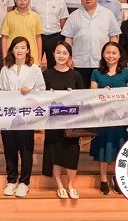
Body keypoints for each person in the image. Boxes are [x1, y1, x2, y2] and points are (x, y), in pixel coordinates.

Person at [0, 37, 46, 198]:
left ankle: (24, 182)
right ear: (12, 49)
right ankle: (11, 180)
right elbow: (0, 91)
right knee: (9, 149)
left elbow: (42, 90)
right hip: (9, 115)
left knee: (26, 150)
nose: (19, 50)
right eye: (16, 47)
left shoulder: (34, 69)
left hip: (27, 115)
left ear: (28, 50)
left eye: (23, 47)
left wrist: (30, 91)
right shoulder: (5, 69)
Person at [89, 42, 128, 195]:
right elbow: (92, 95)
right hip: (103, 118)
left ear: (120, 55)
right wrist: (103, 93)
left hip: (122, 119)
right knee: (103, 148)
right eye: (108, 52)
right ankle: (103, 179)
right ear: (103, 54)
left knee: (120, 148)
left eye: (114, 53)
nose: (111, 56)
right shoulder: (96, 73)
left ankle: (118, 177)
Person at [41, 41, 85, 200]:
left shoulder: (76, 75)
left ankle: (70, 185)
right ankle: (59, 185)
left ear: (69, 56)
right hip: (53, 122)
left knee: (72, 153)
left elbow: (83, 99)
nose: (61, 56)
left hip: (71, 123)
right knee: (55, 153)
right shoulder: (46, 74)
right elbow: (40, 99)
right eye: (58, 52)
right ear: (53, 54)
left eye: (65, 53)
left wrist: (73, 96)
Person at [61, 0, 121, 89]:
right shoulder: (74, 16)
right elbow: (68, 39)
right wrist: (69, 58)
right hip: (79, 62)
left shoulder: (107, 14)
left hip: (102, 62)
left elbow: (114, 36)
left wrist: (113, 56)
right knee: (81, 92)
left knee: (102, 92)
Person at [30, 0, 69, 68]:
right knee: (34, 63)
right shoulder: (32, 0)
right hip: (37, 36)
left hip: (54, 37)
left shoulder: (60, 1)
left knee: (54, 64)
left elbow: (63, 19)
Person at [0, 0, 43, 65]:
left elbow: (38, 38)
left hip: (31, 57)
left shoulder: (35, 16)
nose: (22, 1)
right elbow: (4, 38)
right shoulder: (9, 16)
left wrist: (39, 58)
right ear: (15, 0)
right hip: (13, 57)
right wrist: (5, 58)